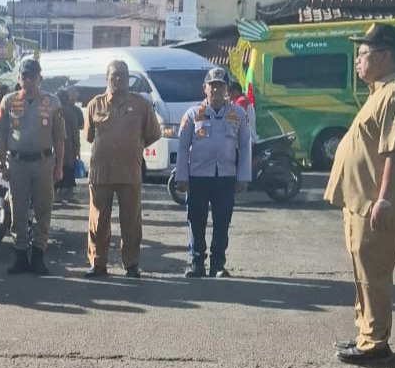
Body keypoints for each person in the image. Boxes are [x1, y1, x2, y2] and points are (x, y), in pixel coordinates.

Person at [324, 23, 395, 364]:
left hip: (375, 202)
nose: (358, 60)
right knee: (364, 272)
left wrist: (383, 198)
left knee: (374, 273)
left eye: (363, 53)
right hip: (360, 200)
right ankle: (367, 334)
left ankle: (375, 343)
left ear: (385, 56)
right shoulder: (381, 91)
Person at [85, 60, 162, 278]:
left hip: (129, 171)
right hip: (101, 172)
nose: (119, 79)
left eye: (123, 75)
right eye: (114, 75)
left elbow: (153, 134)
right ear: (106, 78)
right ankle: (97, 263)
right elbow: (90, 136)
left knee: (131, 221)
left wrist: (134, 146)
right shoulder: (95, 104)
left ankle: (131, 264)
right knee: (98, 221)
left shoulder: (141, 105)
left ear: (129, 79)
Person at [175, 67, 252, 279]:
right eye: (212, 86)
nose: (216, 91)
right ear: (204, 89)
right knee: (196, 219)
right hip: (198, 176)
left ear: (227, 89)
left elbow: (245, 146)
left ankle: (218, 264)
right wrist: (181, 177)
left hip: (225, 176)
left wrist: (243, 178)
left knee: (222, 220)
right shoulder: (193, 114)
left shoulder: (238, 114)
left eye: (221, 86)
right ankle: (197, 262)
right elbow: (182, 147)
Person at [0, 58, 65, 276]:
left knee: (44, 209)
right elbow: (1, 135)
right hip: (17, 163)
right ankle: (19, 255)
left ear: (40, 78)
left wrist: (59, 167)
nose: (29, 81)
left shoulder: (53, 103)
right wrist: (1, 163)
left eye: (33, 77)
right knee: (18, 210)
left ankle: (38, 255)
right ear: (19, 78)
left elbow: (60, 138)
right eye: (24, 76)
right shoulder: (7, 102)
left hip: (44, 162)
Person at [55, 87, 83, 203]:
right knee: (68, 170)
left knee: (56, 169)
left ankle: (56, 194)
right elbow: (75, 132)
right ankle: (67, 194)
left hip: (55, 147)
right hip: (69, 148)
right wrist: (77, 148)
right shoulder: (72, 112)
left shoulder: (53, 110)